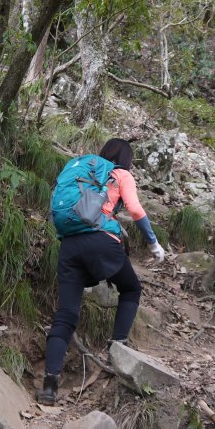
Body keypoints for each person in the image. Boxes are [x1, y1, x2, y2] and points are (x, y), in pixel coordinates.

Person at [37, 138, 165, 405]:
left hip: (70, 244)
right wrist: (153, 242)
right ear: (127, 160)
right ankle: (116, 347)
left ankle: (49, 385)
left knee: (66, 314)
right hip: (102, 241)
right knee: (131, 288)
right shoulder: (120, 174)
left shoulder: (85, 168)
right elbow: (135, 209)